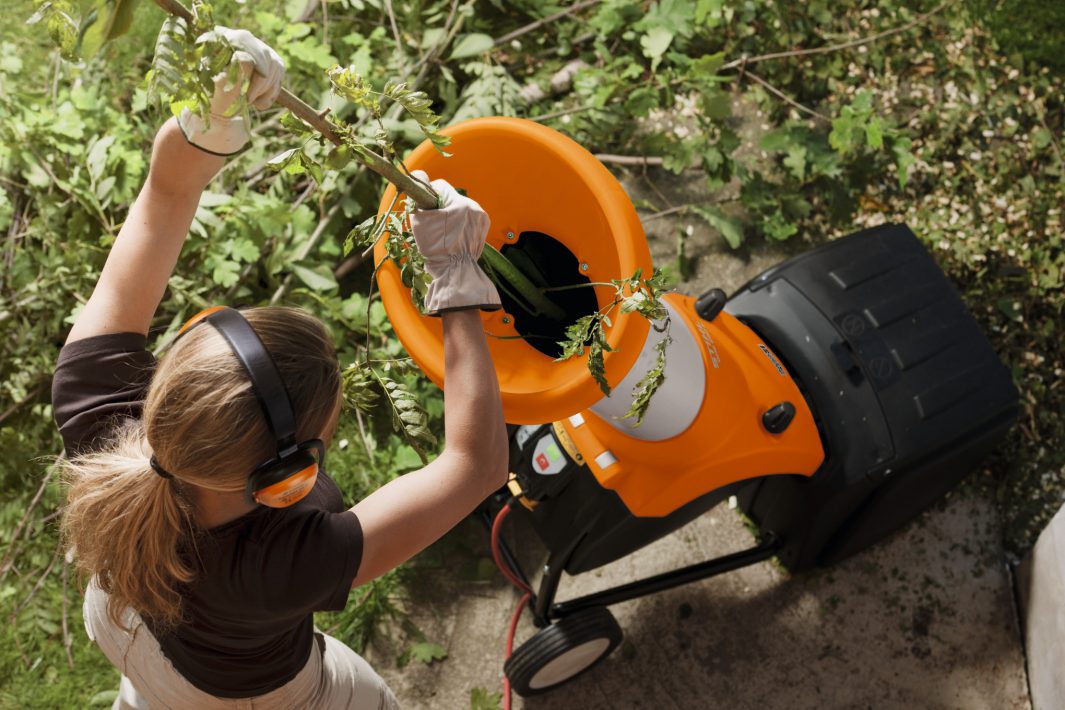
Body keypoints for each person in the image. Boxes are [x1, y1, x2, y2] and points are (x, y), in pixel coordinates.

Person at [53, 27, 508, 709]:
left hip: (123, 627)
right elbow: (476, 466)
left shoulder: (98, 413)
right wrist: (457, 277)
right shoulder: (283, 563)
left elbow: (163, 198)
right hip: (238, 692)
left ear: (175, 379)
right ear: (287, 478)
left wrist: (209, 119)